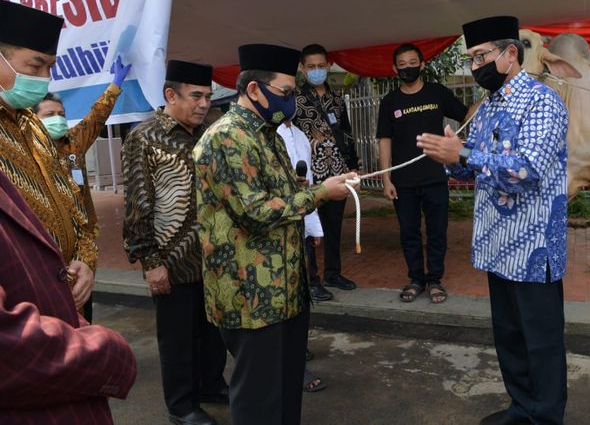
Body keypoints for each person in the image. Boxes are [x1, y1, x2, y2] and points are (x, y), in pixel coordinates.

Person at [417, 16, 569, 425]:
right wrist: (452, 155)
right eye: (470, 58)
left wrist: (464, 155)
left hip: (534, 247)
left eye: (480, 56)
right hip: (499, 246)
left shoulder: (542, 101)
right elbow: (475, 170)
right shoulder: (487, 107)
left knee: (541, 342)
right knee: (510, 338)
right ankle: (522, 410)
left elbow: (528, 169)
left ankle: (545, 418)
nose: (474, 66)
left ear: (510, 54)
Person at [194, 43, 357, 425]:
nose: (291, 101)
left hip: (284, 290)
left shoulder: (266, 133)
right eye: (285, 93)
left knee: (284, 396)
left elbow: (276, 194)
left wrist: (303, 187)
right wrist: (319, 193)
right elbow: (253, 212)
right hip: (251, 296)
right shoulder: (227, 137)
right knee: (259, 402)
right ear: (254, 90)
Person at [122, 60, 228, 425]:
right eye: (196, 96)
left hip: (211, 255)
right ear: (171, 95)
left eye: (208, 97)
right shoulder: (144, 136)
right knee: (178, 338)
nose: (203, 104)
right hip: (170, 258)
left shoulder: (207, 133)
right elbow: (138, 202)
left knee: (213, 330)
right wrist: (150, 261)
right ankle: (181, 406)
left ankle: (212, 385)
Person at [0, 168, 137, 423]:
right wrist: (107, 355)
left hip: (67, 308)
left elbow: (77, 207)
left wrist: (85, 257)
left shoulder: (37, 135)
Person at [0, 0, 96, 314]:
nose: (44, 78)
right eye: (35, 65)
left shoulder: (34, 126)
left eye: (50, 67)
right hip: (20, 314)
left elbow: (72, 202)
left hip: (67, 297)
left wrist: (85, 258)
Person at [33, 55, 132, 322]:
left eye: (61, 115)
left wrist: (116, 84)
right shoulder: (27, 155)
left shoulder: (73, 144)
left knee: (83, 319)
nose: (57, 119)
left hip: (82, 252)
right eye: (49, 115)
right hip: (45, 256)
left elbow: (96, 116)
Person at [377, 43, 469, 304]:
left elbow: (465, 115)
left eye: (412, 62)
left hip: (435, 178)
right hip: (403, 182)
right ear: (395, 69)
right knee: (409, 233)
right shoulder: (390, 101)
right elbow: (384, 140)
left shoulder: (437, 93)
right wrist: (386, 178)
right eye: (402, 65)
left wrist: (488, 99)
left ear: (423, 64)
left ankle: (435, 280)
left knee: (438, 231)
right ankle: (416, 278)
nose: (408, 68)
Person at [294, 43, 360, 299]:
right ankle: (312, 279)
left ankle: (333, 272)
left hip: (338, 172)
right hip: (310, 177)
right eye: (311, 67)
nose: (317, 71)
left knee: (334, 227)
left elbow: (348, 134)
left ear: (329, 66)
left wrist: (353, 167)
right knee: (310, 229)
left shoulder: (336, 99)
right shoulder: (295, 101)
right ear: (302, 68)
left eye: (321, 66)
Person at [277, 118, 328, 392]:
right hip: (275, 236)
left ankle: (297, 352)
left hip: (300, 226)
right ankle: (293, 365)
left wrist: (313, 226)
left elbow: (305, 186)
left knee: (301, 298)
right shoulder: (262, 136)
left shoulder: (298, 134)